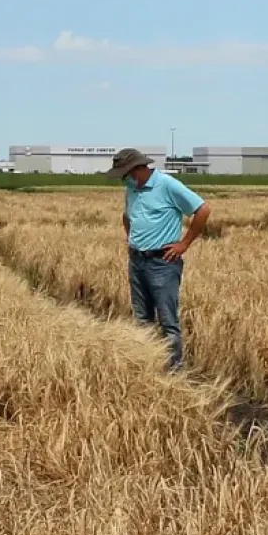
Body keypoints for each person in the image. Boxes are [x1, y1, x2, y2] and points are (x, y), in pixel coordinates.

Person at [105, 148, 212, 370]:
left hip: (162, 263)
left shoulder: (167, 185)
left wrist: (184, 244)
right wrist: (133, 240)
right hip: (137, 261)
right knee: (142, 319)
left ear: (138, 168)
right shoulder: (132, 189)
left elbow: (202, 210)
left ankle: (173, 371)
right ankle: (148, 367)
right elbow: (127, 216)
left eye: (127, 174)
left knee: (167, 322)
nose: (126, 179)